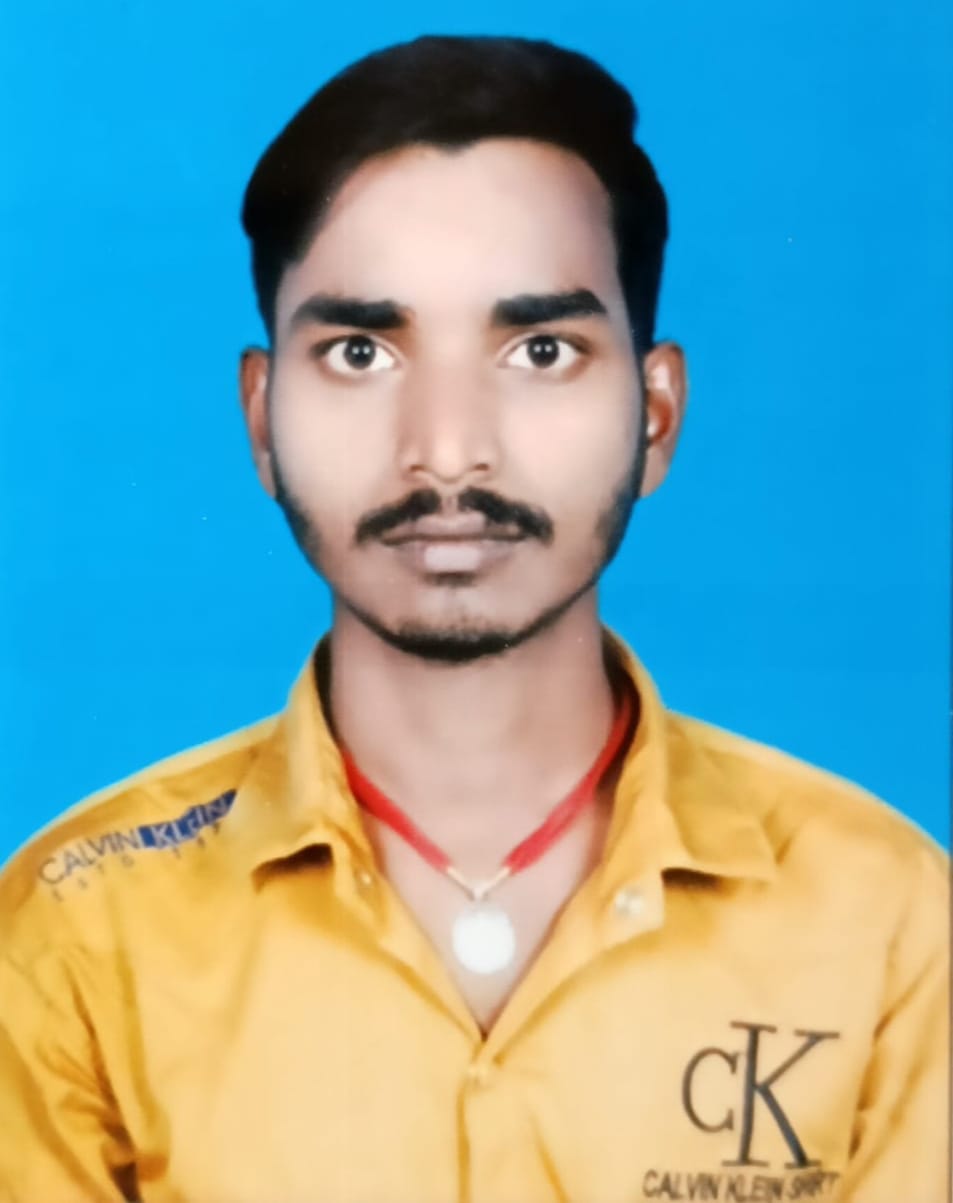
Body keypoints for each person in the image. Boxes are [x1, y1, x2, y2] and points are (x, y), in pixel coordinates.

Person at [0, 35, 947, 1203]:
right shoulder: (76, 932)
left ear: (654, 415)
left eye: (539, 349)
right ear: (260, 417)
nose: (446, 451)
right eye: (360, 351)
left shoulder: (887, 918)